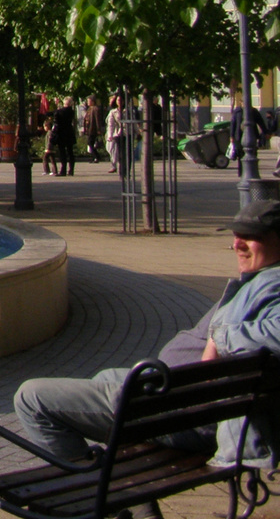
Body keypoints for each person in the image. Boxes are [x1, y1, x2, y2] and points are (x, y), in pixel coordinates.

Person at [14, 199, 280, 474]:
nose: (237, 244)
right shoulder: (261, 280)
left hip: (177, 411)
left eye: (251, 237)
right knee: (106, 378)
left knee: (31, 399)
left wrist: (218, 336)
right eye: (237, 235)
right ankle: (133, 505)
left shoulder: (272, 284)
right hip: (177, 399)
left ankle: (97, 499)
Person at [52, 100, 77, 177]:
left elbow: (56, 119)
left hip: (61, 133)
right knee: (70, 152)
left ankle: (63, 170)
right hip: (69, 132)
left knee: (62, 152)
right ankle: (71, 170)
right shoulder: (72, 112)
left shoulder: (59, 112)